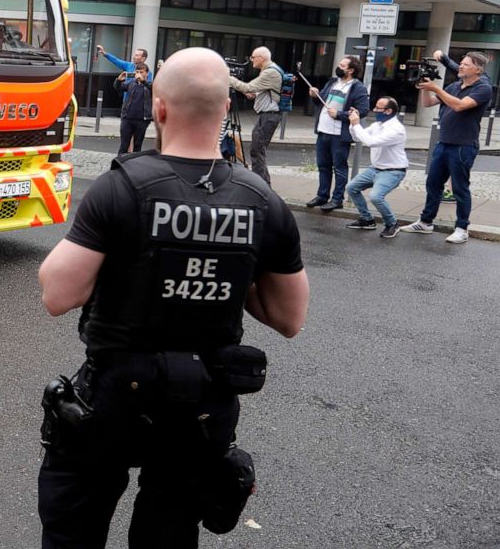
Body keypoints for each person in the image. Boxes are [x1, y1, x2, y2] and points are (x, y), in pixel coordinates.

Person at [37, 47, 309, 549]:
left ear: (158, 108)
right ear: (227, 108)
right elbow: (290, 317)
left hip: (115, 397)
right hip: (202, 404)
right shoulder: (263, 200)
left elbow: (58, 293)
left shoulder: (121, 187)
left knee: (73, 528)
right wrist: (232, 269)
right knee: (170, 533)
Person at [402, 51, 493, 244]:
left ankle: (462, 228)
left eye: (466, 64)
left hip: (463, 145)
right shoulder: (454, 86)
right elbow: (427, 103)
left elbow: (459, 106)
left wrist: (436, 88)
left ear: (478, 69)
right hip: (443, 143)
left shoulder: (483, 88)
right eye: (460, 63)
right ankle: (426, 222)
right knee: (433, 184)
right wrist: (425, 87)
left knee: (460, 188)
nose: (460, 66)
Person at [306, 56, 369, 212]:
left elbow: (362, 110)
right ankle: (322, 195)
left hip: (339, 135)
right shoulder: (333, 82)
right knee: (323, 166)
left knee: (339, 167)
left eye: (342, 65)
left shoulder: (357, 87)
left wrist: (340, 114)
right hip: (323, 130)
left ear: (351, 70)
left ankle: (337, 199)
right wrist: (315, 95)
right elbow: (322, 103)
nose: (338, 67)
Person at [344, 97, 408, 238]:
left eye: (378, 108)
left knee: (376, 196)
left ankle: (392, 224)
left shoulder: (396, 129)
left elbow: (371, 142)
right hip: (375, 168)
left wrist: (356, 124)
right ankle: (367, 220)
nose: (374, 110)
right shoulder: (377, 125)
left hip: (393, 171)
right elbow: (357, 137)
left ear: (389, 111)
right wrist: (354, 123)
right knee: (351, 188)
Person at [227, 46, 282, 185]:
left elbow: (248, 87)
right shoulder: (268, 70)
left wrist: (227, 78)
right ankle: (264, 184)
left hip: (269, 116)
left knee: (257, 151)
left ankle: (259, 186)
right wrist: (253, 94)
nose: (251, 60)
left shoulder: (270, 72)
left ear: (261, 58)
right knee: (258, 150)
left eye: (253, 57)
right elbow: (255, 91)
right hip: (267, 115)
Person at [114, 62, 152, 154]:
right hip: (127, 118)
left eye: (141, 72)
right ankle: (119, 164)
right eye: (137, 72)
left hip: (142, 120)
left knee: (137, 146)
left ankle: (135, 165)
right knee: (124, 145)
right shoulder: (131, 83)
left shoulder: (150, 84)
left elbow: (153, 89)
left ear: (147, 73)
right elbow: (118, 87)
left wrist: (143, 81)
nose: (139, 74)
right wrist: (119, 80)